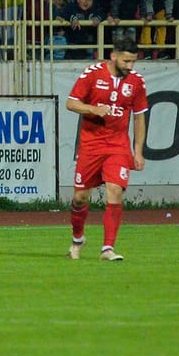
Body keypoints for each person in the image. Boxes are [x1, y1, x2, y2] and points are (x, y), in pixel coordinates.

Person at [66, 36, 148, 262]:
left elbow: (140, 118)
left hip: (117, 145)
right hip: (91, 144)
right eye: (126, 61)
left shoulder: (137, 82)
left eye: (133, 62)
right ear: (113, 56)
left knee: (115, 190)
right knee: (80, 197)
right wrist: (94, 109)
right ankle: (78, 238)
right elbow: (71, 103)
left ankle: (107, 248)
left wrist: (138, 150)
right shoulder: (92, 73)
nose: (130, 67)